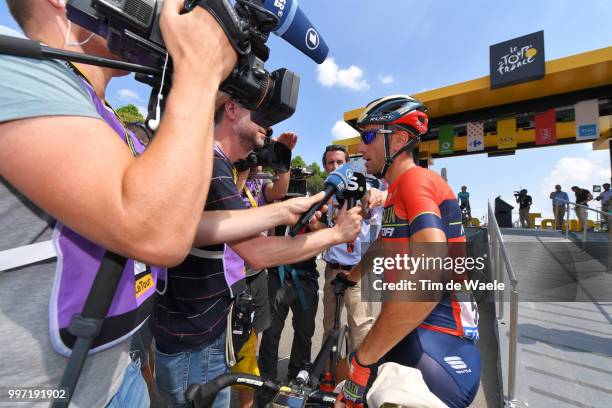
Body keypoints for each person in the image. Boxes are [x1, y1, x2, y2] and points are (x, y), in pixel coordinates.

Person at [0, 1, 238, 407]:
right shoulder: (14, 71)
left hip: (115, 373)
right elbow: (153, 229)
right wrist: (199, 70)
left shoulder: (97, 110)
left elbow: (174, 208)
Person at [153, 99, 362, 408]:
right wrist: (335, 234)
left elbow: (231, 226)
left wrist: (285, 209)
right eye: (261, 114)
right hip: (190, 340)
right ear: (232, 109)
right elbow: (256, 251)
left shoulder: (214, 161)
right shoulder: (208, 163)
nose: (268, 124)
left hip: (206, 330)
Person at [335, 95, 480, 408]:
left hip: (432, 351)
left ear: (399, 139)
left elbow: (431, 267)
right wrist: (352, 276)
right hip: (428, 340)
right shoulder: (396, 191)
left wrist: (361, 365)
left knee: (349, 385)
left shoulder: (414, 180)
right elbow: (384, 243)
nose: (361, 148)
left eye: (369, 136)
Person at [233, 133, 296, 408]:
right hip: (231, 274)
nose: (256, 158)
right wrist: (243, 173)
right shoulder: (229, 172)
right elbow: (228, 207)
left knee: (250, 343)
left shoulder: (261, 184)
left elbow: (279, 191)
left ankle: (245, 401)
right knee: (229, 346)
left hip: (256, 273)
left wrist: (283, 158)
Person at [318, 145, 385, 351]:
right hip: (332, 269)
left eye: (340, 162)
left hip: (360, 270)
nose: (335, 166)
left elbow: (376, 208)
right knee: (329, 327)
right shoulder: (326, 192)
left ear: (348, 165)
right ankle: (326, 373)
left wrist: (369, 201)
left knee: (361, 328)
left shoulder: (367, 187)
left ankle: (360, 379)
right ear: (325, 167)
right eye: (330, 162)